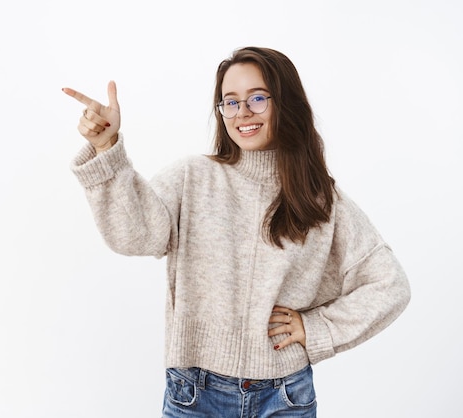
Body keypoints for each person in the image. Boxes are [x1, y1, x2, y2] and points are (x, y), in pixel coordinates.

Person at [62, 46, 411, 418]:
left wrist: (318, 328)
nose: (242, 112)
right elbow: (135, 236)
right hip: (195, 393)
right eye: (230, 102)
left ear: (286, 103)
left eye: (257, 98)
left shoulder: (320, 199)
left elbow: (389, 285)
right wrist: (107, 147)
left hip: (284, 396)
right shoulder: (193, 177)